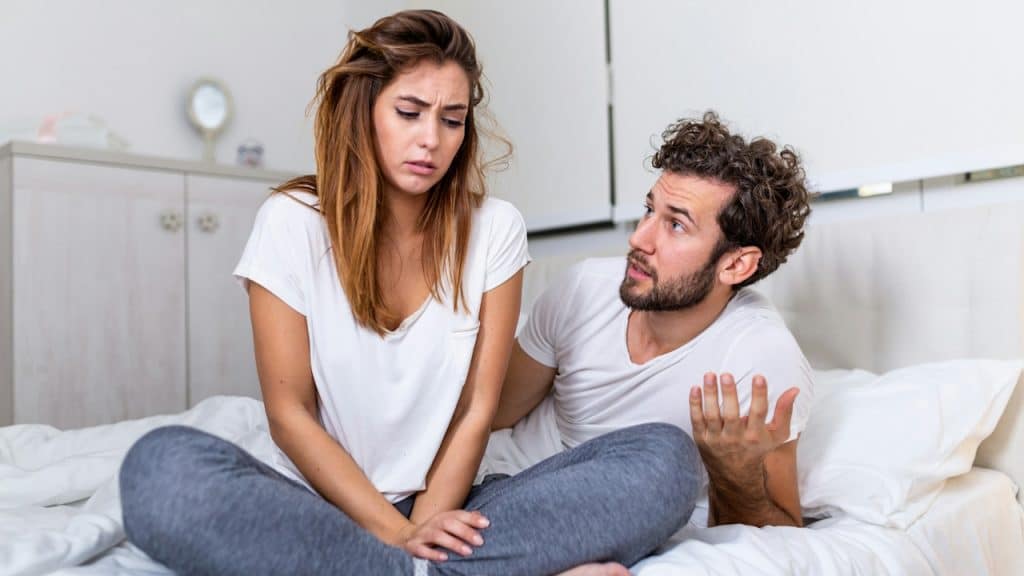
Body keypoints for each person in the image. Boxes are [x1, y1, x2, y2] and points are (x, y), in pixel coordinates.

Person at [118, 10, 695, 576]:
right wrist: (397, 535)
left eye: (452, 119)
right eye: (410, 112)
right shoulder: (291, 221)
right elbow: (289, 414)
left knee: (666, 461)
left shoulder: (496, 229)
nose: (431, 140)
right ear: (364, 109)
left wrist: (427, 525)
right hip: (321, 509)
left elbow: (476, 410)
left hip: (457, 509)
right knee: (161, 470)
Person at [492, 111, 815, 532]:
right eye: (649, 210)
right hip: (501, 488)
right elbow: (490, 414)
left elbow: (781, 534)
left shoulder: (756, 358)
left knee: (666, 458)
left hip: (613, 517)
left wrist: (734, 473)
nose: (639, 239)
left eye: (676, 225)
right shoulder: (583, 289)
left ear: (736, 265)